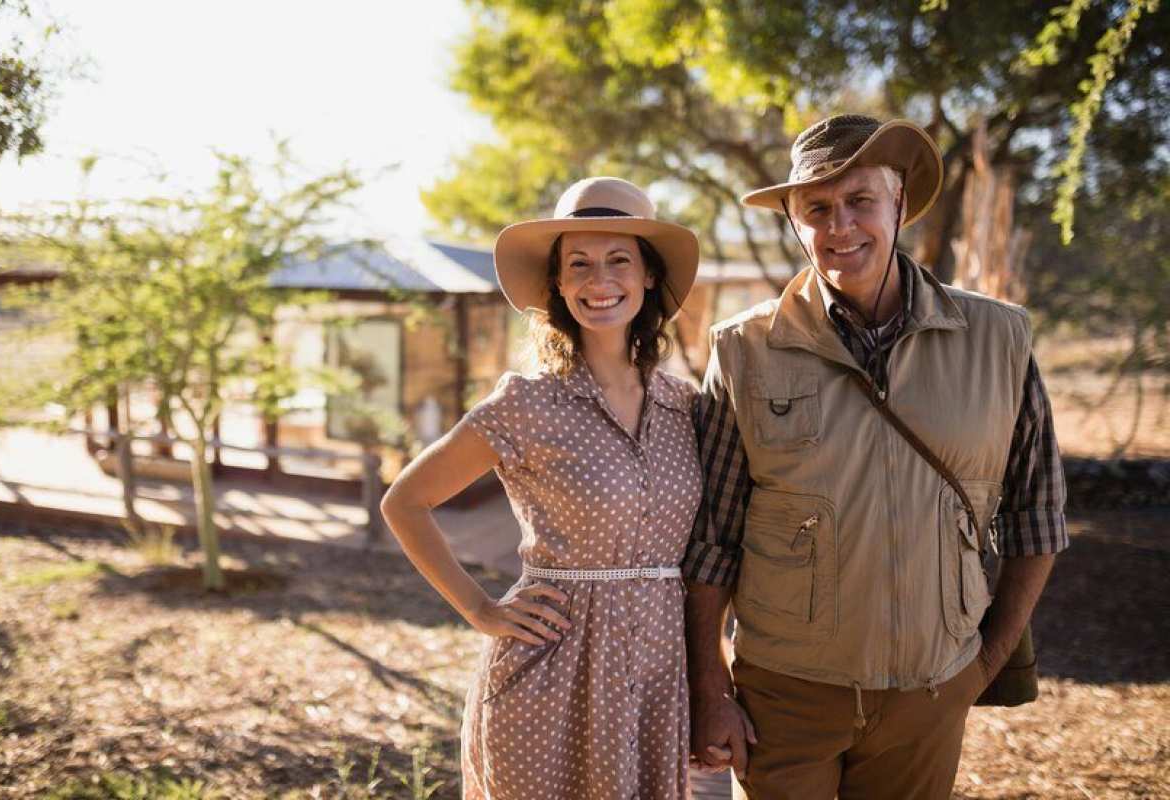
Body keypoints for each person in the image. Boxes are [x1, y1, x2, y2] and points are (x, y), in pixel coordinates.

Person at [683, 114, 1069, 799]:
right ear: (796, 223)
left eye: (860, 200)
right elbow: (710, 542)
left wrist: (982, 668)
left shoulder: (999, 340)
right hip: (784, 698)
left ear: (900, 203)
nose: (840, 226)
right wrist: (712, 690)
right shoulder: (742, 351)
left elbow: (1037, 517)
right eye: (817, 209)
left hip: (932, 690)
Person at [380, 176, 703, 800]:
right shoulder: (527, 404)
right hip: (550, 673)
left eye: (618, 261)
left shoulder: (684, 407)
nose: (597, 279)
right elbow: (405, 501)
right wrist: (480, 608)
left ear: (649, 277)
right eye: (577, 263)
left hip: (656, 677)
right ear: (557, 282)